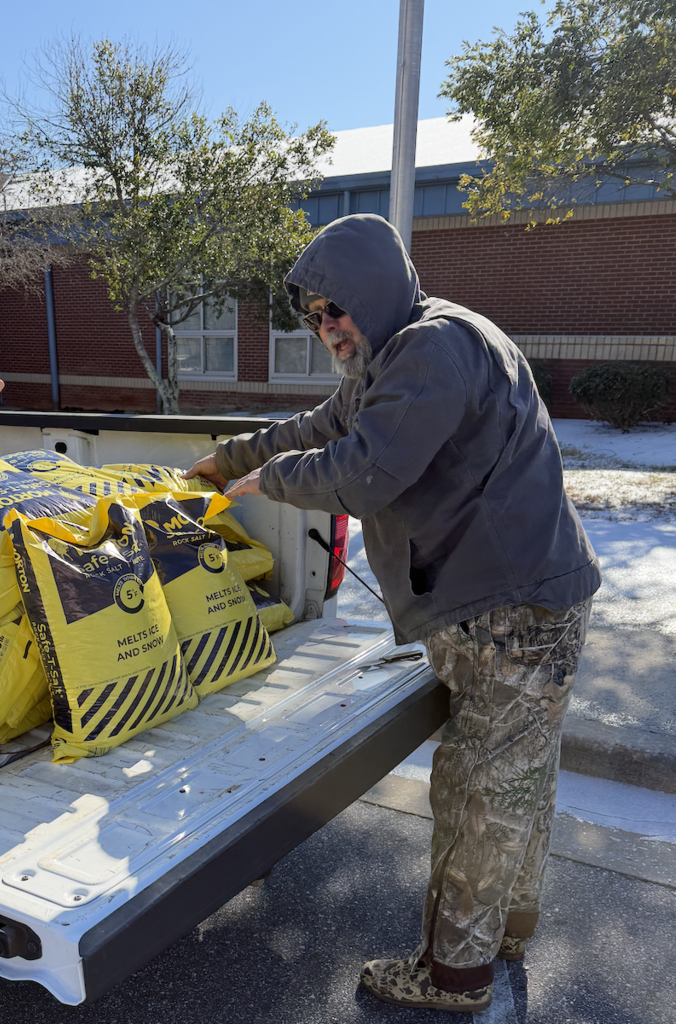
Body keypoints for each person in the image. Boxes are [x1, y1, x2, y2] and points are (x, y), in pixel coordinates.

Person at [184, 213, 601, 1014]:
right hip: (515, 594)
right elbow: (328, 425)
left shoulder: (433, 347)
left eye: (334, 310)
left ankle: (453, 977)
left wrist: (268, 483)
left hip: (510, 607)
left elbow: (366, 470)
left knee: (477, 789)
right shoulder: (401, 350)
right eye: (313, 318)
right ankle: (505, 930)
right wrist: (231, 456)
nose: (325, 328)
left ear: (370, 292)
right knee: (514, 778)